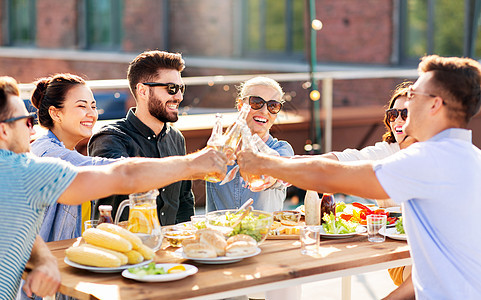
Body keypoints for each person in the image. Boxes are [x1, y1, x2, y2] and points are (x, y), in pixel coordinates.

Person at [238, 55, 481, 299]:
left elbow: (330, 176)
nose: (405, 106)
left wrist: (263, 163)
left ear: (434, 105)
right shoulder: (470, 157)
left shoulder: (428, 159)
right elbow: (430, 275)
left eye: (414, 96)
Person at [0, 76, 227, 299]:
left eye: (93, 105)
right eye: (26, 121)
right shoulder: (28, 166)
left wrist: (44, 259)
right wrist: (194, 164)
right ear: (4, 130)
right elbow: (123, 175)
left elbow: (22, 223)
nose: (32, 131)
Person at [88, 50, 194, 225]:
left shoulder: (176, 138)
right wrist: (192, 164)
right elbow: (125, 178)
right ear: (143, 91)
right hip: (121, 248)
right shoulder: (109, 138)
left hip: (168, 247)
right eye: (171, 89)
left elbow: (184, 201)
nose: (179, 96)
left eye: (181, 88)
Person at [30, 73, 117, 243]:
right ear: (56, 114)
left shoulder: (62, 150)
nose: (91, 114)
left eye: (93, 106)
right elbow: (106, 169)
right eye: (81, 106)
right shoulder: (47, 153)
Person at [205, 76, 294, 213]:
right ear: (241, 105)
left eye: (273, 106)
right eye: (256, 102)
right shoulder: (218, 148)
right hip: (221, 233)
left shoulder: (282, 150)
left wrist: (269, 174)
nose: (264, 111)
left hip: (263, 234)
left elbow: (278, 174)